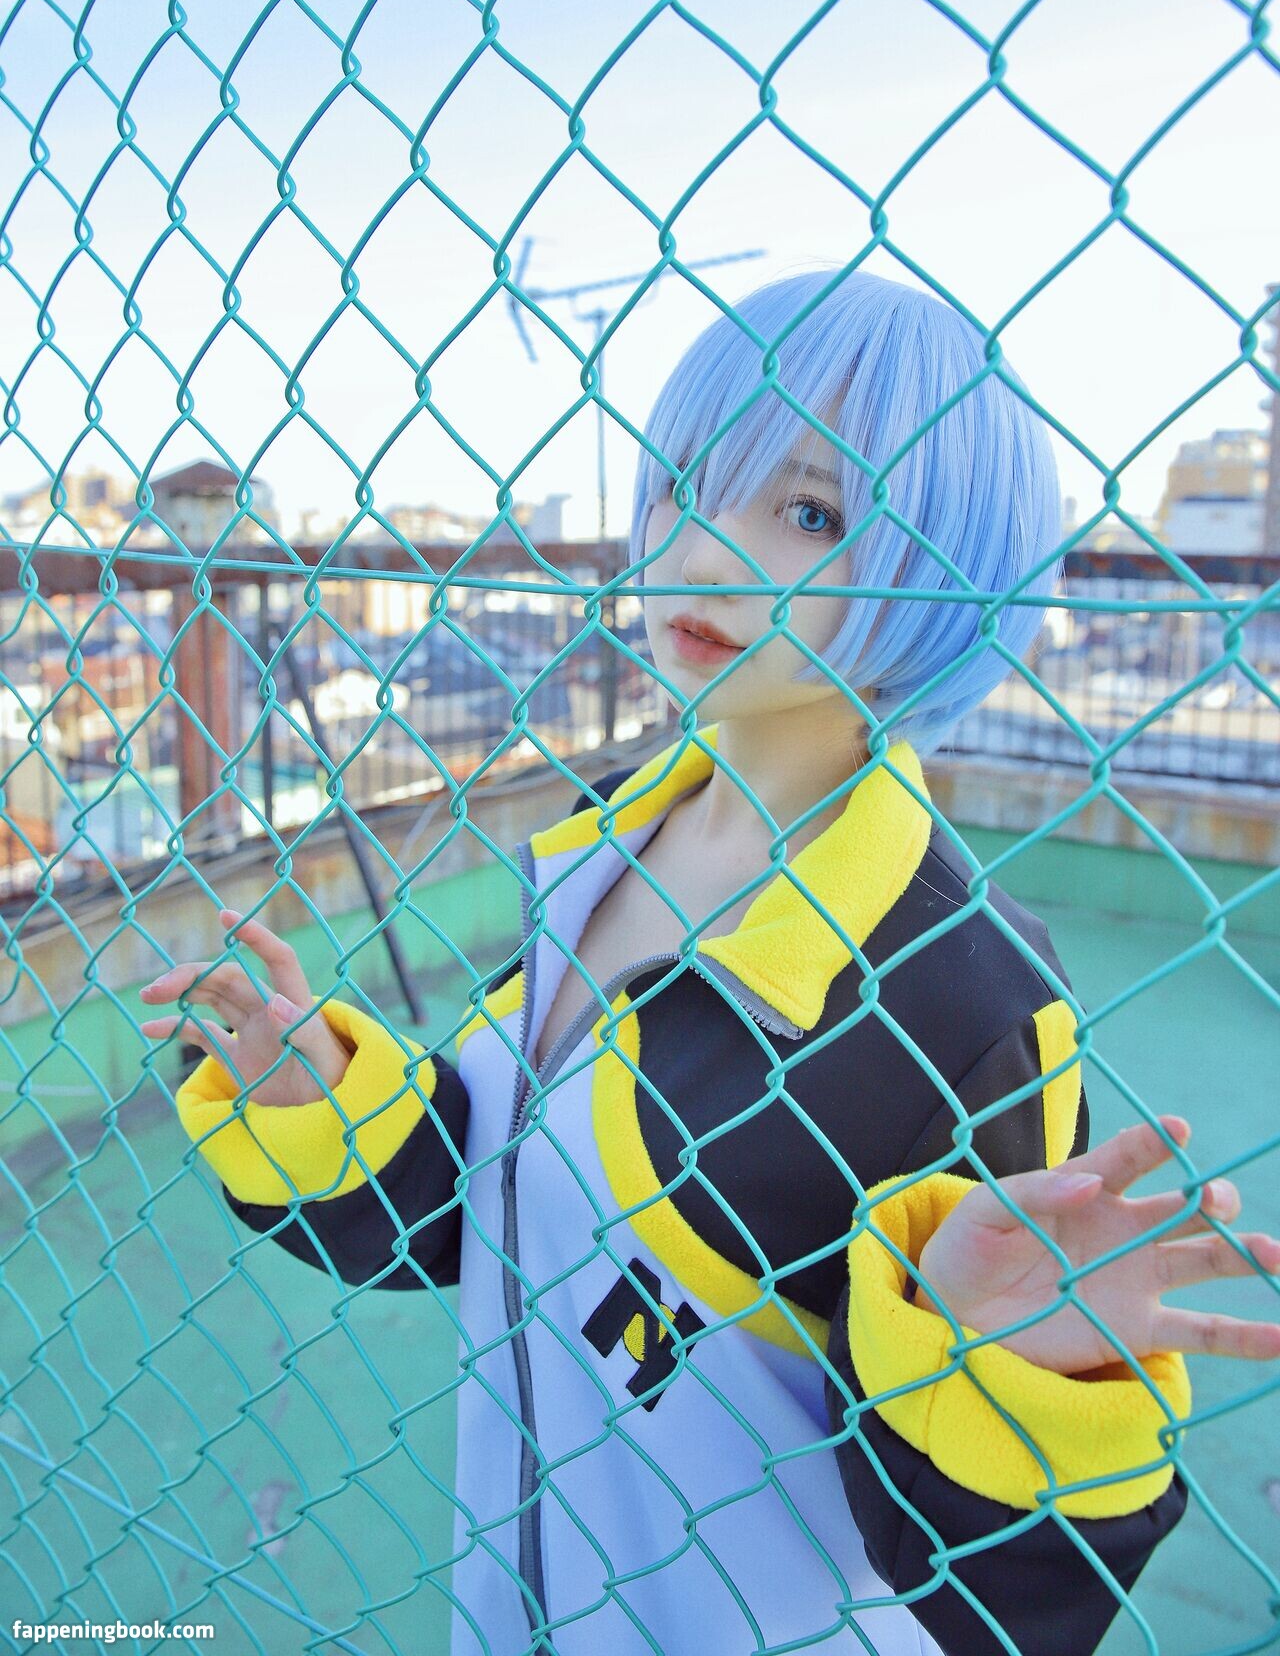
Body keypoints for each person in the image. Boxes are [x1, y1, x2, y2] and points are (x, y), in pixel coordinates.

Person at [140, 269, 1280, 1656]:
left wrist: (1002, 1370)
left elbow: (993, 1600)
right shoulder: (599, 840)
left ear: (945, 563)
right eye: (686, 483)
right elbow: (495, 1209)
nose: (700, 552)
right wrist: (319, 1089)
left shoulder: (967, 994)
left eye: (808, 513)